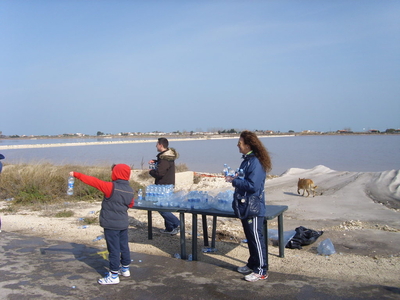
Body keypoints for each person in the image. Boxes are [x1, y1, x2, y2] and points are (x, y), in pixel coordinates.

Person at [70, 164, 135, 285]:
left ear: (116, 174)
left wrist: (76, 174)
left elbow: (93, 181)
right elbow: (130, 204)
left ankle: (114, 275)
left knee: (114, 249)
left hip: (111, 224)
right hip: (123, 223)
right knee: (124, 246)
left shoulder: (111, 187)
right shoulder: (130, 190)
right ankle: (125, 269)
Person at [225, 131, 272, 282]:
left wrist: (234, 181)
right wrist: (236, 177)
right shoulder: (247, 160)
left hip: (254, 207)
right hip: (245, 206)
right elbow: (245, 178)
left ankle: (261, 270)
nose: (237, 145)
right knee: (250, 238)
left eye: (240, 143)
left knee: (256, 238)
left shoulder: (256, 162)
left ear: (248, 145)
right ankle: (252, 264)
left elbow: (253, 185)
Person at [149, 137, 180, 235]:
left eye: (157, 144)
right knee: (164, 206)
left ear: (161, 145)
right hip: (167, 184)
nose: (155, 146)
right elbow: (164, 167)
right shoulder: (166, 156)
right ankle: (169, 228)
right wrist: (156, 162)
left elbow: (160, 173)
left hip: (164, 186)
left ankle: (177, 224)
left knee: (161, 208)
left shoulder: (165, 158)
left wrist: (151, 172)